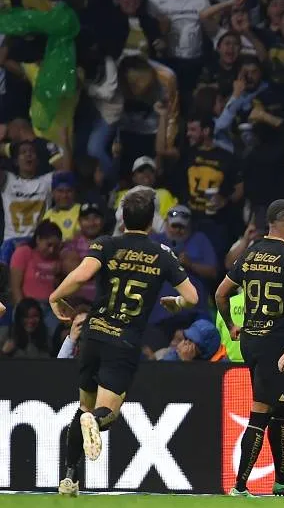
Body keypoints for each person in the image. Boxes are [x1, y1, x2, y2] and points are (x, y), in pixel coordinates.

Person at [46, 189, 198, 497]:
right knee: (106, 413)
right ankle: (94, 422)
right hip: (124, 340)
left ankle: (69, 477)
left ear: (122, 217)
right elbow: (193, 297)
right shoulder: (162, 254)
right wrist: (176, 302)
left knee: (82, 407)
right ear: (151, 221)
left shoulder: (105, 243)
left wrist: (56, 295)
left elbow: (82, 274)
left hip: (93, 334)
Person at [215, 199, 284, 497]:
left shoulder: (250, 253)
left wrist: (233, 327)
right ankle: (239, 486)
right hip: (276, 344)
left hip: (251, 339)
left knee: (281, 407)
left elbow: (222, 294)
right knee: (261, 411)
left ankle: (283, 478)